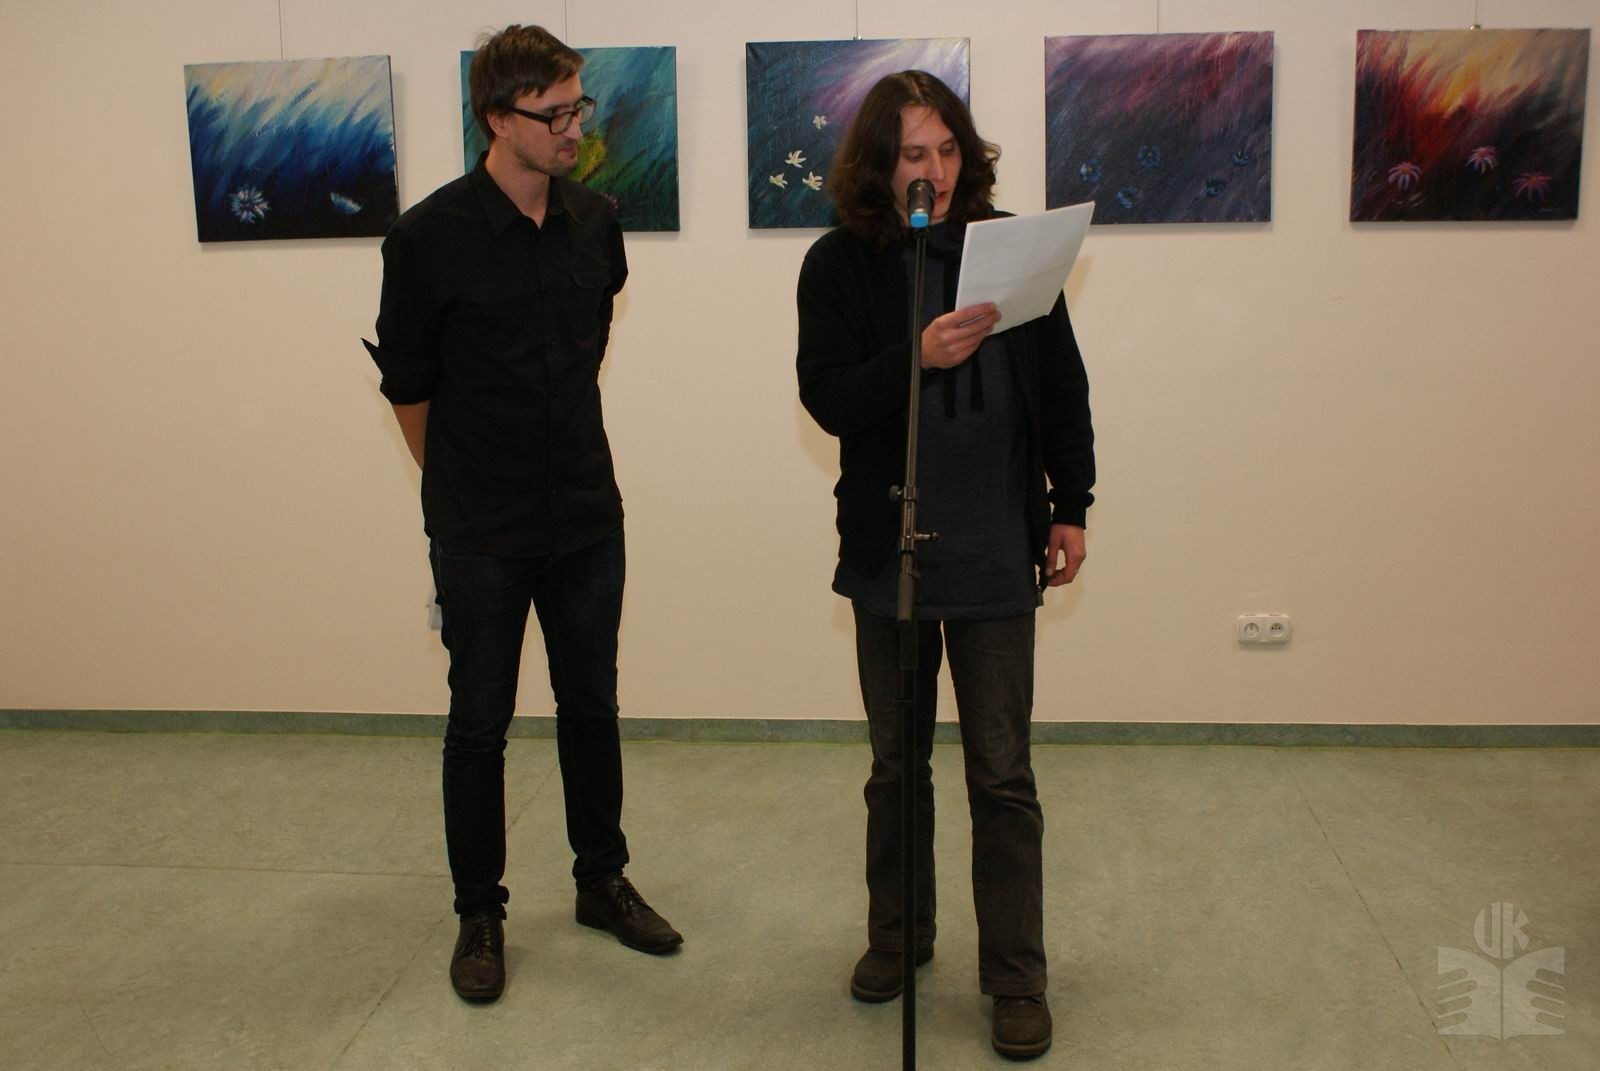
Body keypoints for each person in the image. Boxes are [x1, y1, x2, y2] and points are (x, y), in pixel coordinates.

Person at [364, 24, 681, 1004]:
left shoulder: (596, 221)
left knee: (592, 704)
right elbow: (409, 387)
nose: (575, 128)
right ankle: (479, 913)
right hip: (480, 528)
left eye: (578, 107)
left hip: (586, 512)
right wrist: (461, 486)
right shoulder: (426, 240)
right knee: (479, 722)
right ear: (498, 119)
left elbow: (588, 345)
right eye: (554, 114)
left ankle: (601, 880)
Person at [796, 70, 1095, 1059]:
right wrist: (916, 357)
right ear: (880, 164)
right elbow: (829, 399)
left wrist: (1071, 503)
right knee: (897, 768)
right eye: (913, 153)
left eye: (948, 149)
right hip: (892, 553)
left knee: (1002, 775)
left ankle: (1015, 977)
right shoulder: (838, 264)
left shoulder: (1013, 250)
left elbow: (1061, 386)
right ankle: (899, 938)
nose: (933, 170)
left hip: (996, 547)